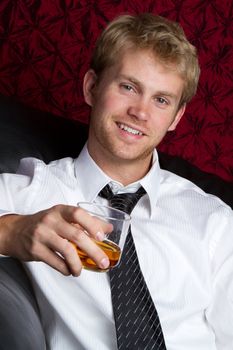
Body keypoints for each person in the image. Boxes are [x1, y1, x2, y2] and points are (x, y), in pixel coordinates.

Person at [0, 12, 232, 350]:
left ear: (176, 118)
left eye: (161, 100)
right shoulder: (34, 191)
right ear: (91, 87)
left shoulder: (215, 220)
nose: (140, 112)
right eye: (128, 87)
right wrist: (11, 232)